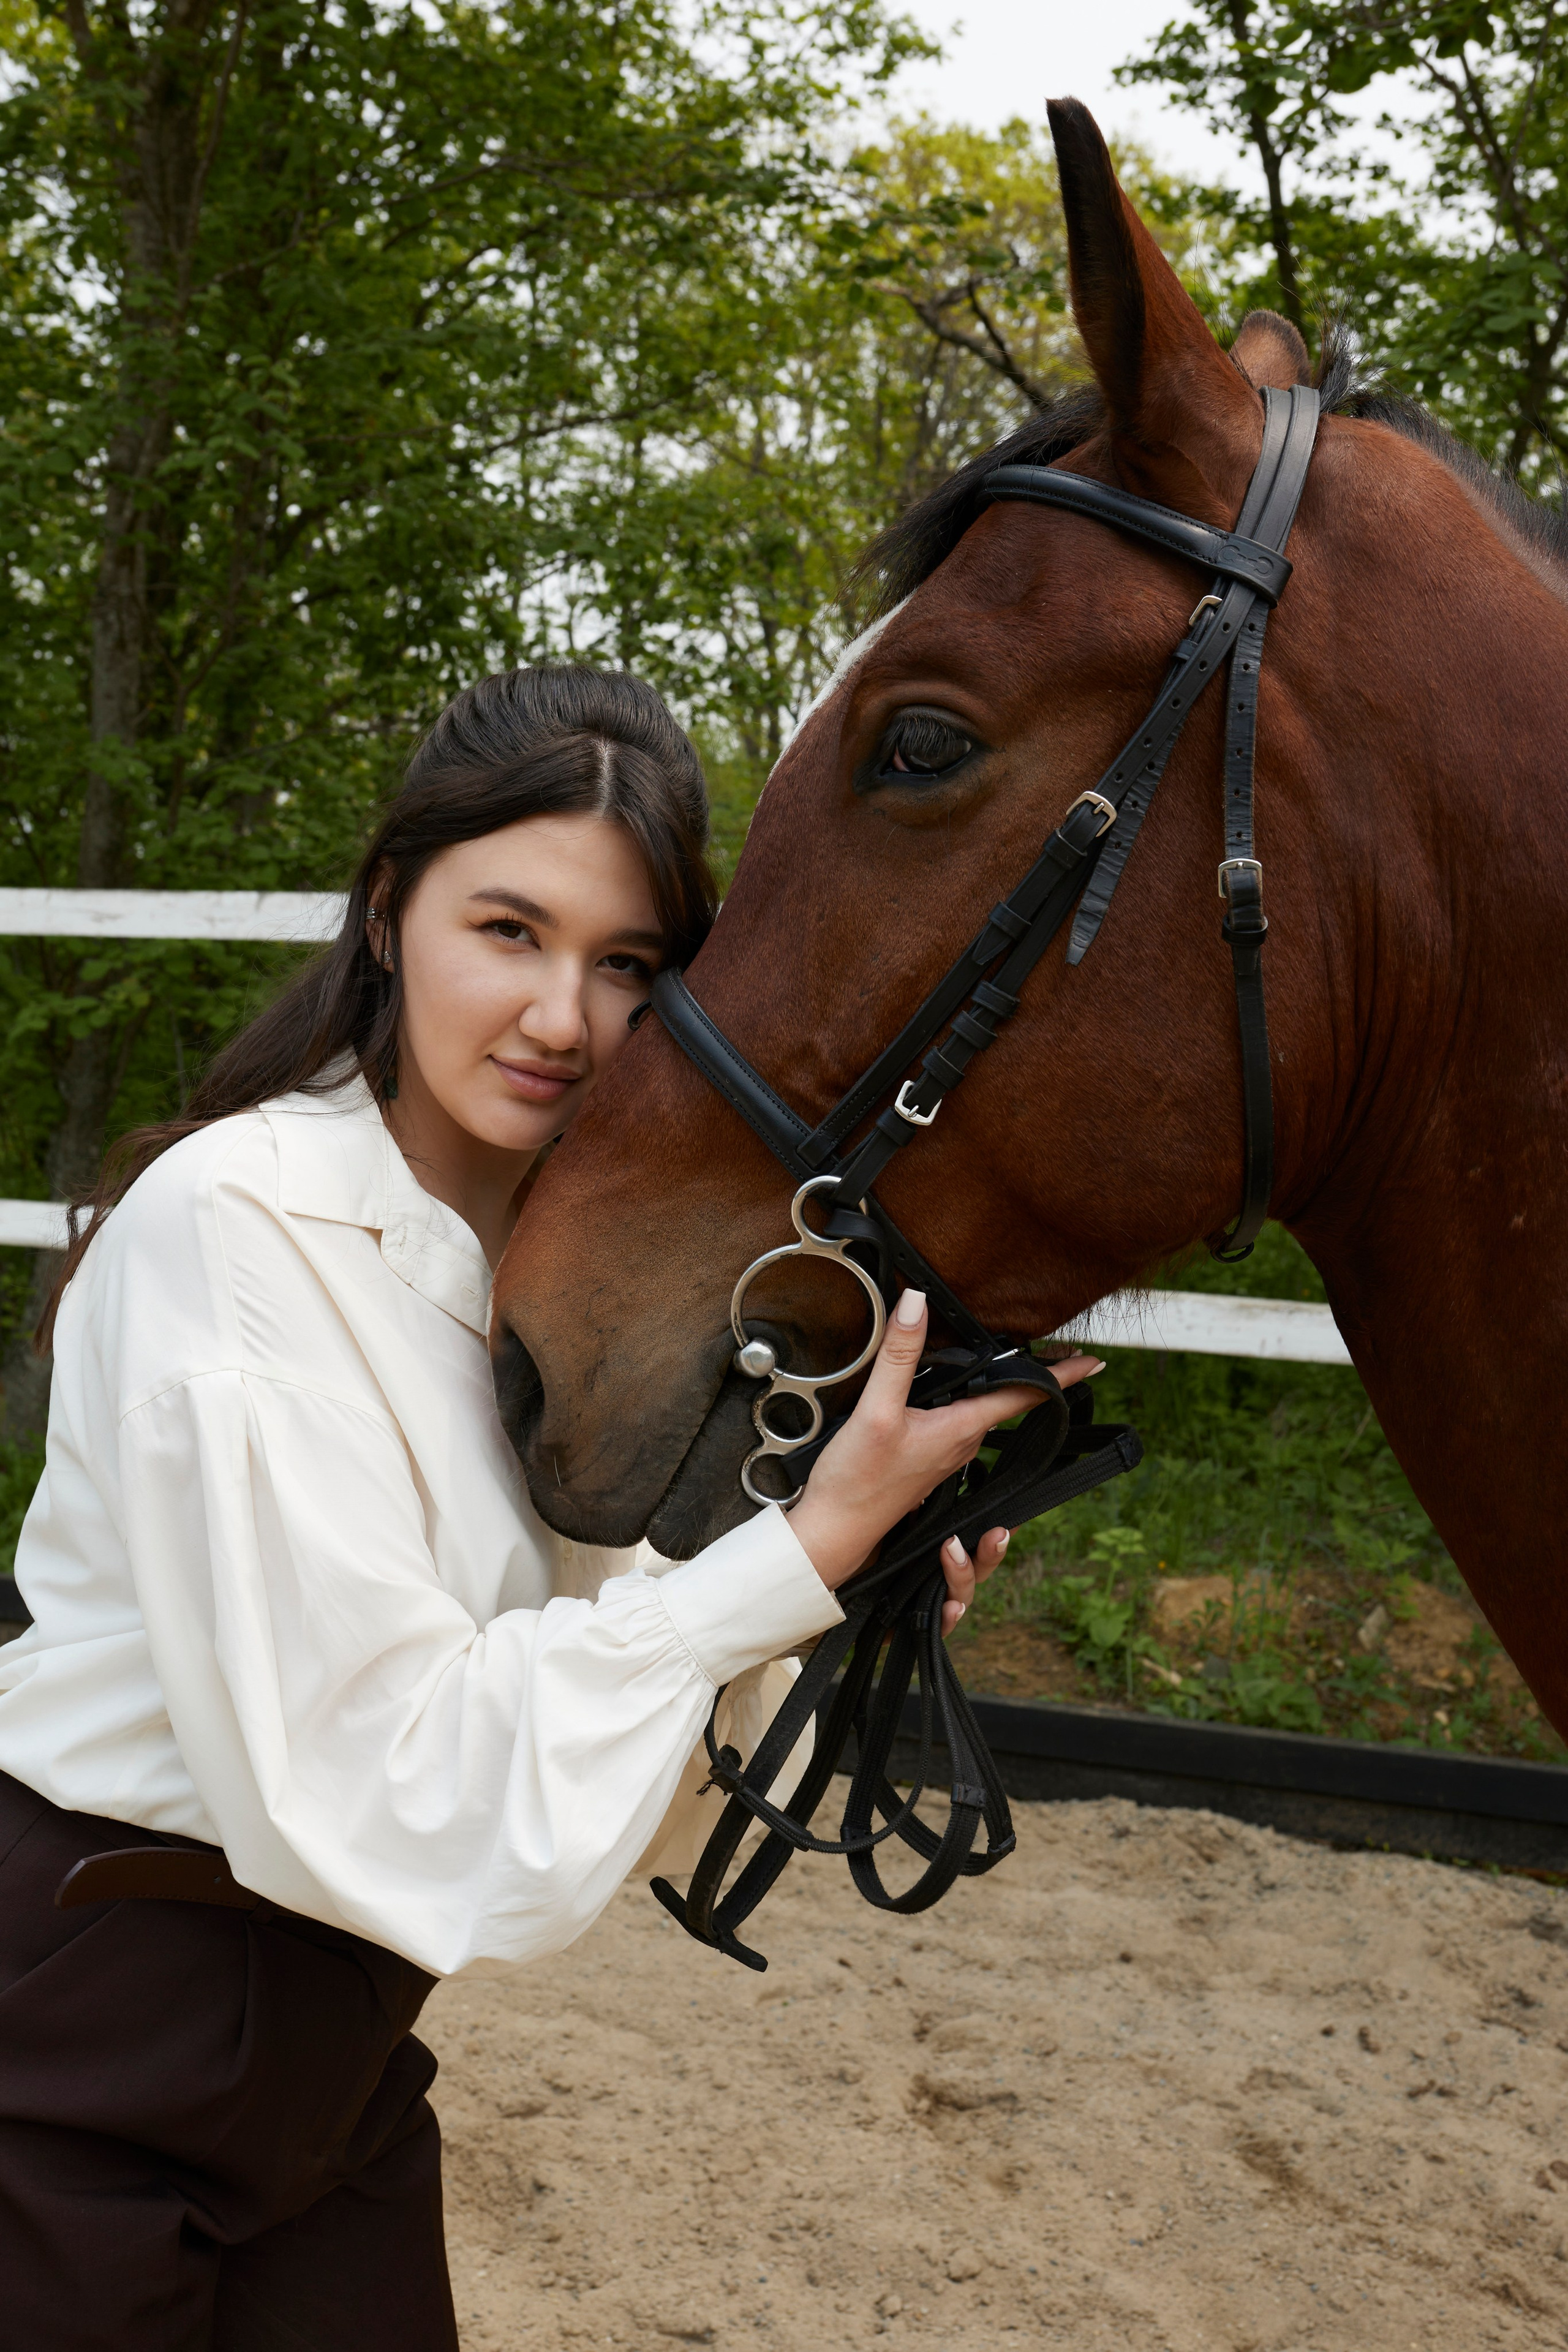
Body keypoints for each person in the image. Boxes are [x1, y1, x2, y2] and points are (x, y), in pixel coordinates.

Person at [0, 666, 1099, 2349]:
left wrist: (847, 1580)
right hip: (79, 2057)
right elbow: (390, 1780)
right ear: (387, 914)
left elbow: (600, 1683)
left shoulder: (575, 1282)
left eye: (628, 967)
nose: (563, 1019)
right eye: (506, 930)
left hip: (332, 2060)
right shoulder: (236, 1234)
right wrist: (786, 1560)